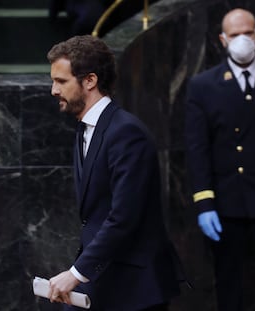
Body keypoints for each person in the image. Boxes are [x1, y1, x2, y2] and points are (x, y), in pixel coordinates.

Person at [46, 35, 182, 310]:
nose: (53, 90)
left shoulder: (126, 133)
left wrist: (75, 273)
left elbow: (124, 216)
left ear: (90, 81)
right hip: (104, 276)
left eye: (61, 81)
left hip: (134, 287)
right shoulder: (85, 129)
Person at [185, 8, 255, 311]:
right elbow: (197, 148)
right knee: (229, 281)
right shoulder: (202, 85)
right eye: (235, 34)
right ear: (222, 39)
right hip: (227, 200)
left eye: (247, 32)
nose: (242, 39)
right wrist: (204, 203)